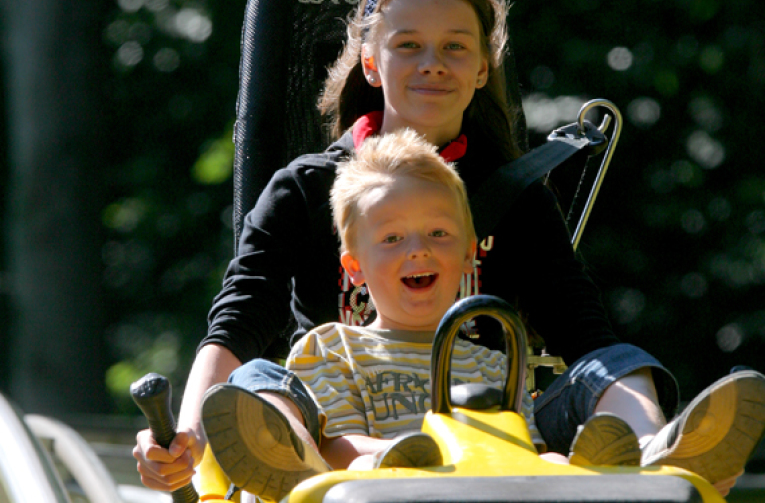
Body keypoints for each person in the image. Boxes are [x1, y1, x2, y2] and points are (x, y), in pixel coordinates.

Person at [133, 0, 765, 498]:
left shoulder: (515, 197)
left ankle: (659, 457)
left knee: (616, 360)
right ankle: (291, 463)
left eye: (454, 47)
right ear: (371, 62)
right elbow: (237, 324)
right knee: (257, 378)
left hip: (489, 430)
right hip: (341, 429)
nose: (432, 62)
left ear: (482, 67)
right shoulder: (306, 189)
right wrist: (183, 440)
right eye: (408, 45)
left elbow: (584, 335)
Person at [202, 129, 573, 501]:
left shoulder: (495, 365)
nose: (418, 250)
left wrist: (552, 464)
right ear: (354, 266)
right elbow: (335, 450)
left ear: (467, 254)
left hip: (474, 490)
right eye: (392, 238)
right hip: (370, 490)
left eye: (438, 233)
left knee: (553, 460)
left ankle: (612, 461)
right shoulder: (332, 347)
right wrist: (405, 458)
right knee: (268, 386)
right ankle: (287, 462)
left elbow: (522, 457)